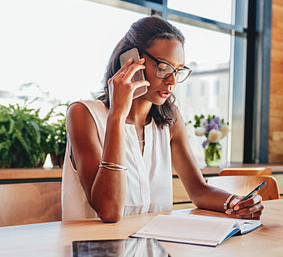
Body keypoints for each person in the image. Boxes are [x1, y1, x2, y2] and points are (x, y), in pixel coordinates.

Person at [62, 15, 263, 222]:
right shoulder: (83, 114)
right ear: (130, 60)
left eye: (177, 71)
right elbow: (109, 211)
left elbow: (199, 191)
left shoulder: (171, 119)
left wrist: (236, 202)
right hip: (97, 250)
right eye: (164, 68)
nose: (172, 81)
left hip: (153, 249)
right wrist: (117, 116)